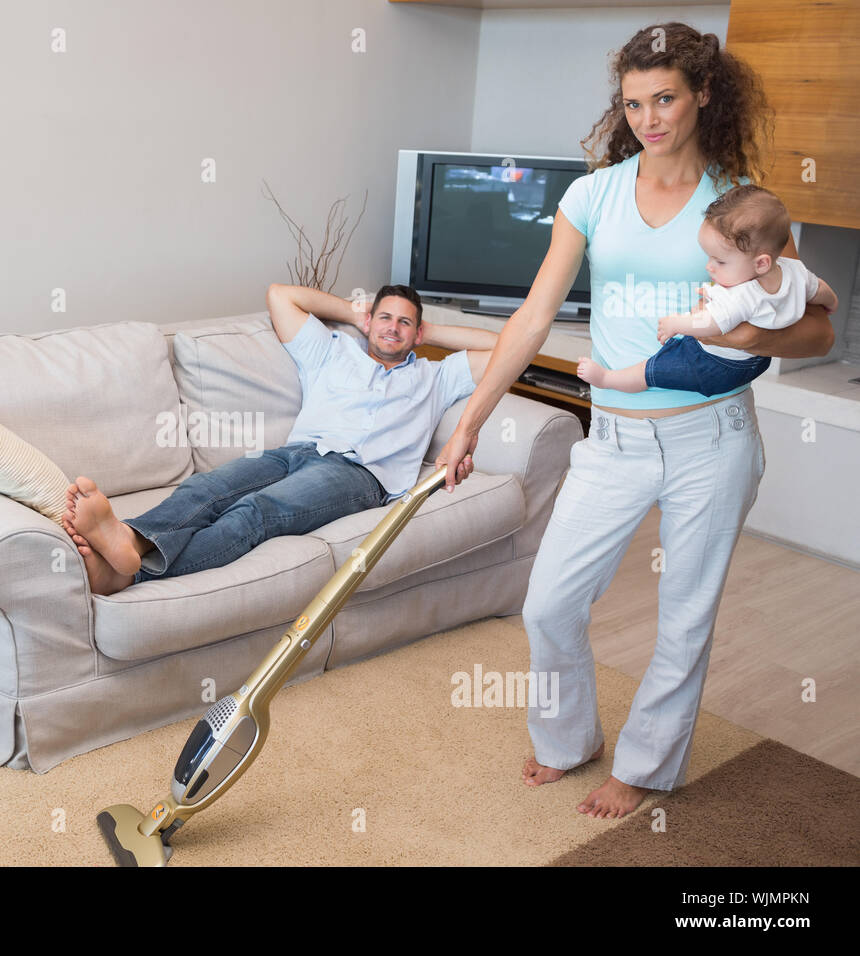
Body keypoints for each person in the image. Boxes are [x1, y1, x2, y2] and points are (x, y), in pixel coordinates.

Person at [433, 22, 834, 819]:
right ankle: (567, 739)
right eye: (634, 103)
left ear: (703, 95)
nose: (650, 118)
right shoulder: (594, 193)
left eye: (666, 99)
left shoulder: (739, 202)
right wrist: (472, 418)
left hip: (709, 437)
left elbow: (821, 325)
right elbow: (532, 317)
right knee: (549, 603)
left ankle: (647, 766)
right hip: (612, 435)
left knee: (684, 615)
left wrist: (754, 335)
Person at [64, 283, 497, 596]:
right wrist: (354, 314)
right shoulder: (331, 350)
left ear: (417, 334)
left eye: (405, 323)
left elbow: (510, 348)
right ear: (368, 321)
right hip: (295, 452)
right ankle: (132, 541)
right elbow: (280, 295)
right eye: (384, 317)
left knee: (255, 512)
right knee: (207, 488)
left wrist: (430, 331)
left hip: (360, 475)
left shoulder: (436, 376)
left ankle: (131, 575)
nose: (392, 328)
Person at [577, 183, 838, 396]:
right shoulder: (794, 271)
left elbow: (710, 325)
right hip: (756, 362)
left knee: (651, 371)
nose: (709, 267)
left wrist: (676, 324)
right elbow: (820, 290)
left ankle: (608, 378)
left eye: (720, 261)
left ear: (761, 263)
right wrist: (832, 303)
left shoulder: (743, 294)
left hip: (715, 365)